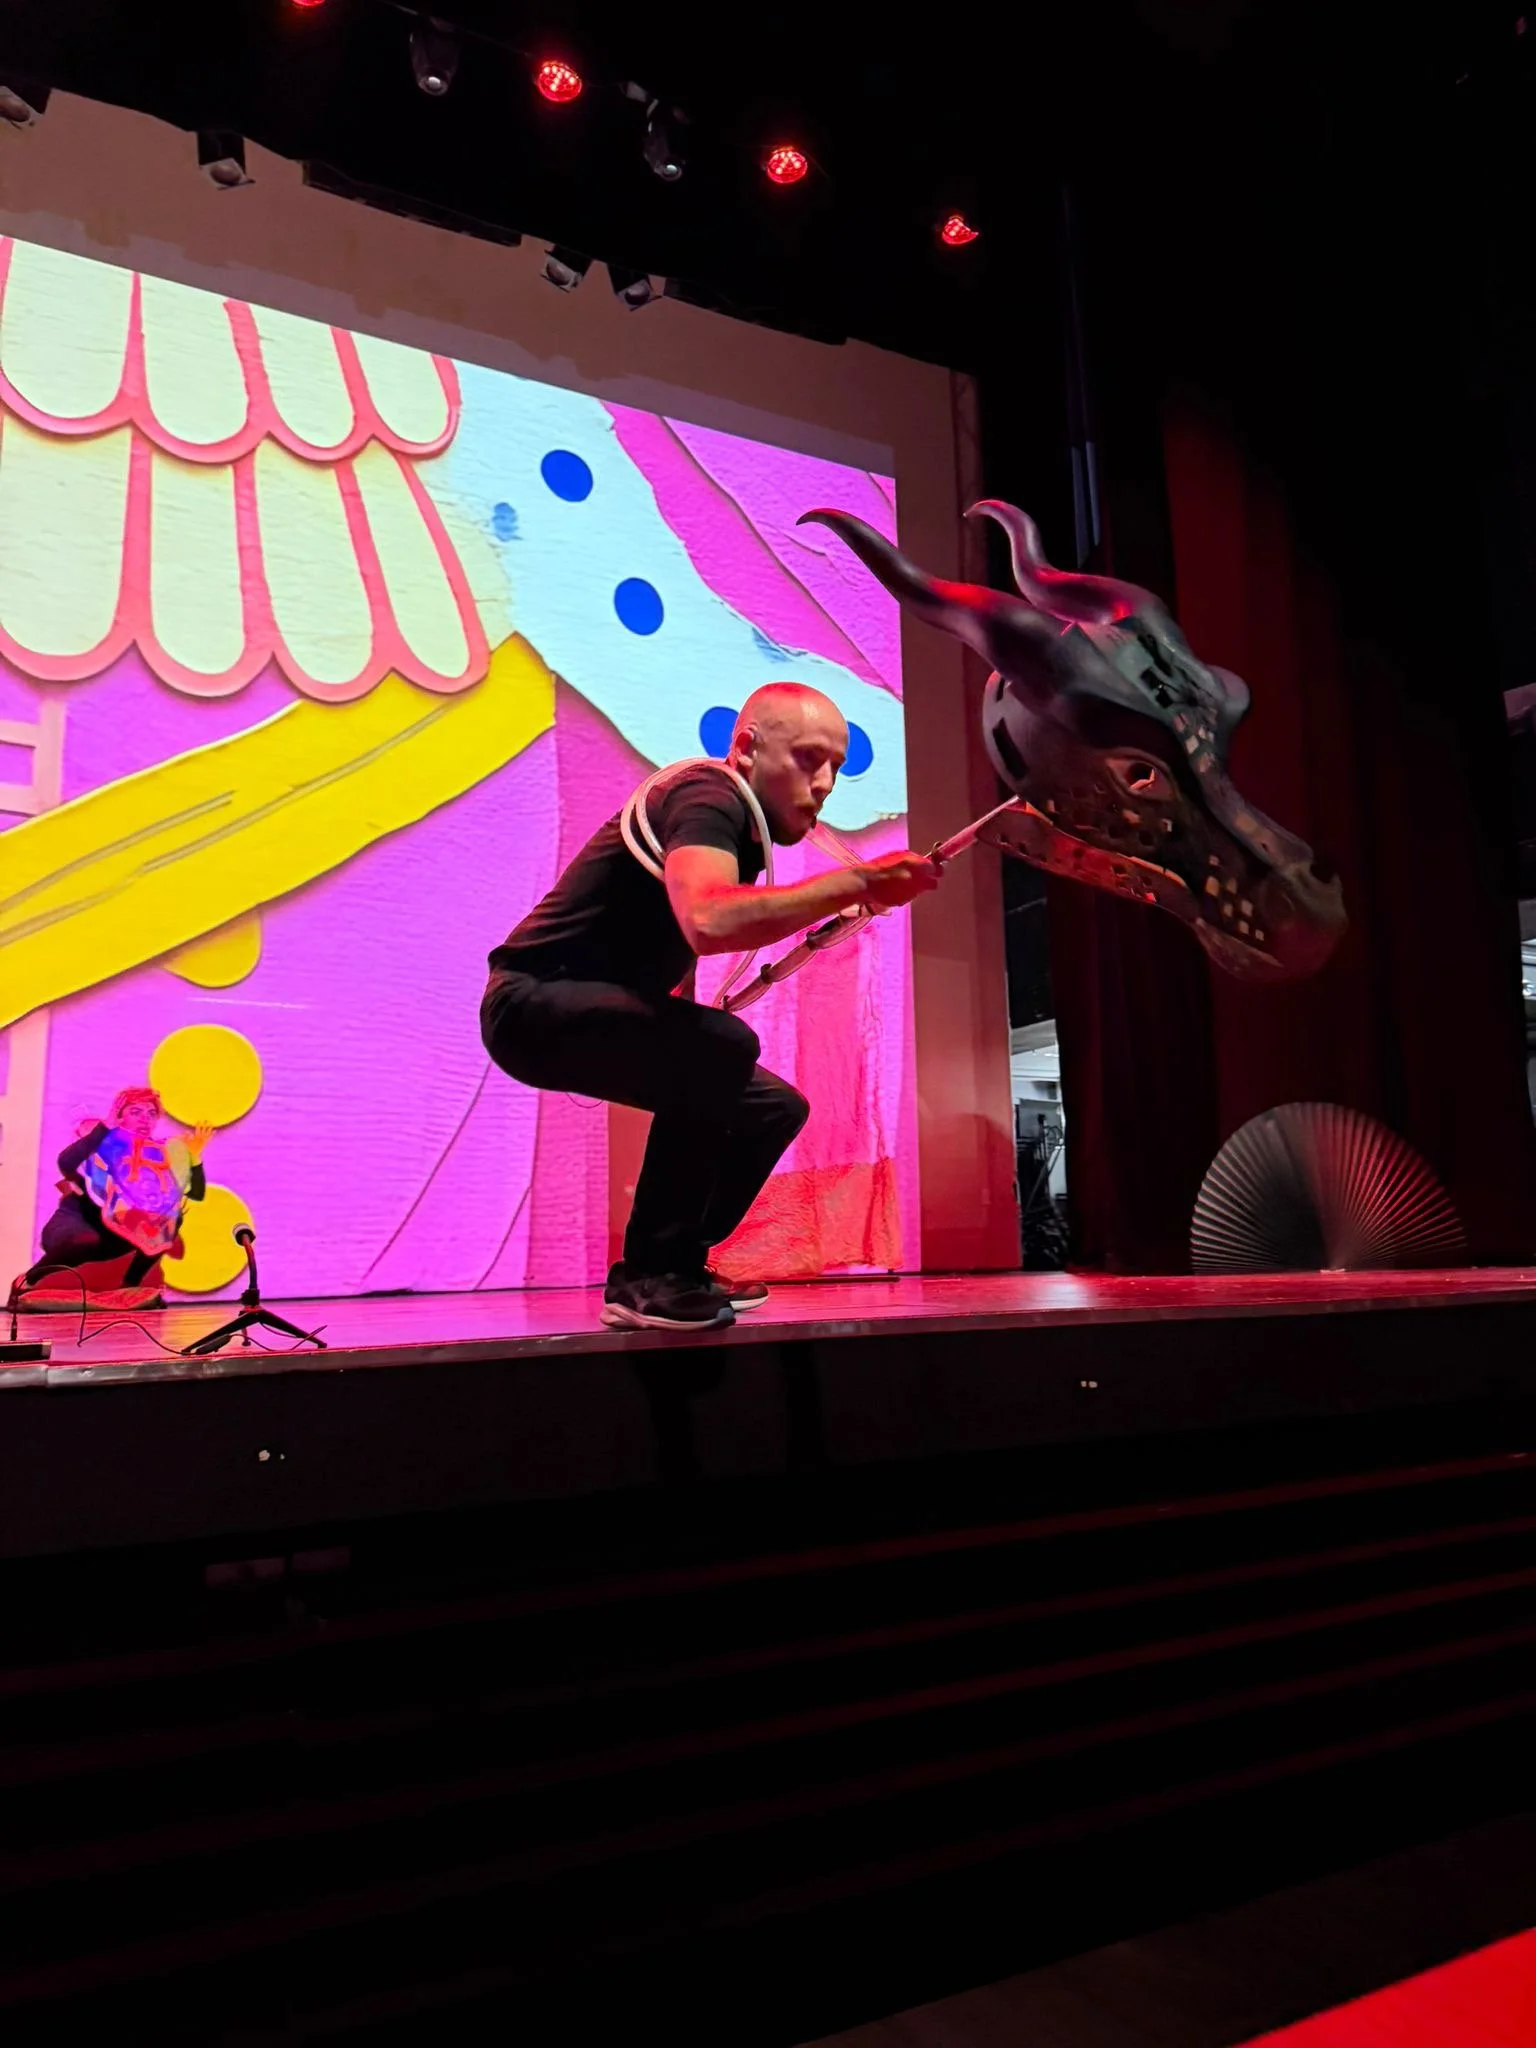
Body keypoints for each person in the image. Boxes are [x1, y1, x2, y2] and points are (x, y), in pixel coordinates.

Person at [481, 683, 940, 1330]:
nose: (827, 782)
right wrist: (857, 880)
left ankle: (681, 1261)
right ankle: (650, 1277)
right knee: (723, 1047)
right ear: (747, 748)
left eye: (837, 765)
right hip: (532, 1003)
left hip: (571, 1006)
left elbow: (681, 951)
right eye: (809, 759)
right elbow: (707, 919)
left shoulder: (734, 823)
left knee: (769, 1107)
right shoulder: (709, 795)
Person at [18, 1086, 214, 1310]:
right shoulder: (104, 1140)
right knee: (85, 1239)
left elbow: (196, 1194)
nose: (144, 1119)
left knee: (173, 1215)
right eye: (135, 1112)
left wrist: (194, 1158)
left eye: (151, 1113)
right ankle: (28, 1282)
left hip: (118, 1235)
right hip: (77, 1226)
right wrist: (107, 1125)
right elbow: (66, 1163)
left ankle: (129, 1287)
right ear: (120, 1115)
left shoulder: (160, 1151)